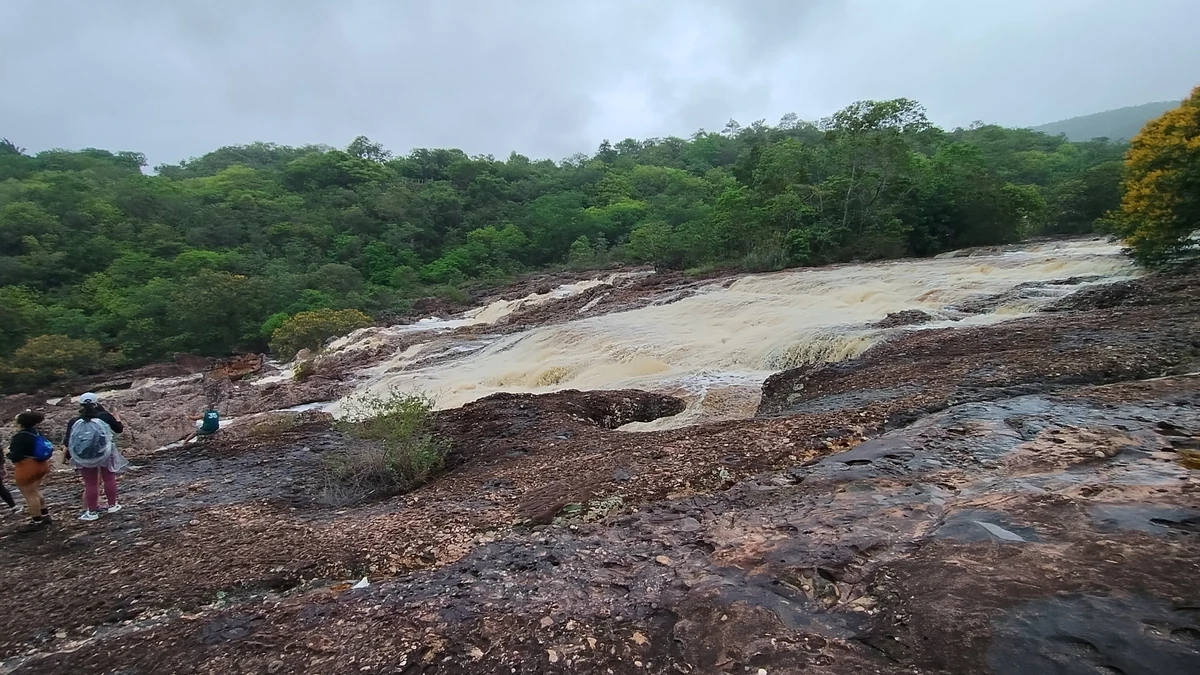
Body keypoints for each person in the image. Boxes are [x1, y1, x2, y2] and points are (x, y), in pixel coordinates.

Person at [64, 393, 127, 522]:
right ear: (96, 403)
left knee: (90, 483)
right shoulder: (104, 416)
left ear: (80, 405)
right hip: (105, 453)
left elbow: (68, 442)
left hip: (84, 456)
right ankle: (112, 505)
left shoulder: (74, 421)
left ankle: (92, 511)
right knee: (109, 478)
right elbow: (119, 429)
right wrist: (116, 417)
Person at [7, 410, 55, 531]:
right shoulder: (36, 432)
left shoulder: (19, 437)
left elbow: (16, 455)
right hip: (42, 465)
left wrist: (9, 455)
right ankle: (45, 515)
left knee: (30, 495)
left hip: (27, 467)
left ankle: (37, 521)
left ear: (21, 423)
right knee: (35, 491)